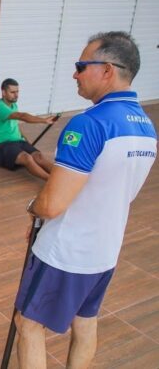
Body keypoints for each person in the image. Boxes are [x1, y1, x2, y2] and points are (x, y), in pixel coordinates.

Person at [14, 32, 156, 368]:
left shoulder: (88, 124)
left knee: (29, 324)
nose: (75, 74)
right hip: (105, 252)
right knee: (85, 322)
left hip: (66, 252)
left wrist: (33, 208)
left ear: (107, 70)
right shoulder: (147, 129)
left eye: (81, 66)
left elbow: (51, 205)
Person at [0, 78, 58, 180]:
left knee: (39, 156)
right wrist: (43, 120)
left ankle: (59, 177)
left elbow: (14, 125)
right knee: (27, 158)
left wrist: (25, 139)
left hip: (17, 141)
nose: (16, 95)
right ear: (3, 92)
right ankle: (51, 180)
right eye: (12, 92)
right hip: (1, 145)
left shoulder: (13, 105)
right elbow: (22, 116)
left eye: (17, 92)